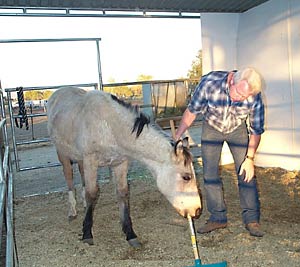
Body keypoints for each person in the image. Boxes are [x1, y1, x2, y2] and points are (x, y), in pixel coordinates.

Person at [175, 68, 265, 237]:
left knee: (246, 174)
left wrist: (249, 158)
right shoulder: (210, 83)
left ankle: (252, 219)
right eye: (238, 92)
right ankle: (217, 217)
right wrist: (178, 135)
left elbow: (256, 130)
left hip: (237, 129)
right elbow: (192, 111)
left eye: (244, 97)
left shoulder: (253, 95)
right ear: (231, 80)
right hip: (212, 127)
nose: (240, 98)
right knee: (210, 175)